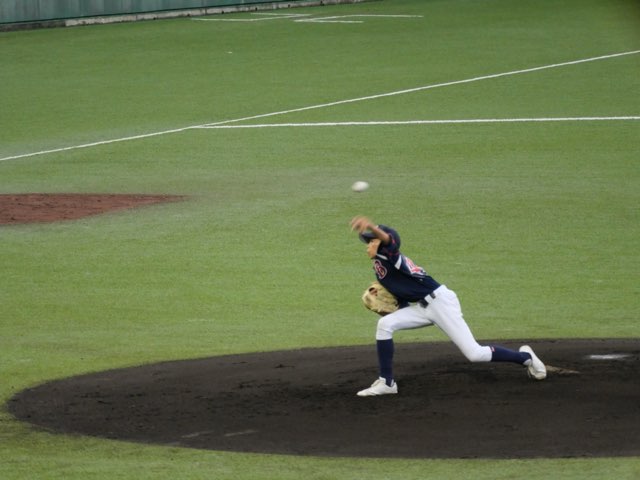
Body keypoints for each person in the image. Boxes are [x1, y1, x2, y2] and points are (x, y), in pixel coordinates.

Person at [350, 216, 546, 397]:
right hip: (423, 308)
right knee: (385, 325)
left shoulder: (392, 256)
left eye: (372, 241)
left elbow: (389, 239)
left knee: (475, 354)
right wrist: (393, 310)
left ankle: (525, 357)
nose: (368, 244)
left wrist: (371, 226)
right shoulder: (380, 268)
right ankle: (387, 383)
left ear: (381, 243)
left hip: (440, 303)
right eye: (368, 241)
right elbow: (403, 301)